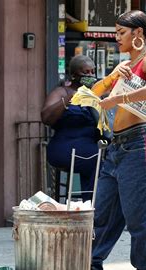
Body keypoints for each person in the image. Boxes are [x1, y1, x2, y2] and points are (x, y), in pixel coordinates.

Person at [88, 10, 146, 270]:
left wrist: (117, 98)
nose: (116, 37)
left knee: (141, 218)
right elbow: (94, 96)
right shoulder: (124, 65)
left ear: (138, 34)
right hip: (115, 148)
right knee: (101, 217)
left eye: (121, 32)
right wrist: (110, 78)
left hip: (138, 147)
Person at [40, 55, 101, 202]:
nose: (90, 76)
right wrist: (68, 100)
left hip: (90, 146)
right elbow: (46, 117)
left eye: (93, 72)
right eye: (86, 73)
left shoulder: (96, 92)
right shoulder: (62, 92)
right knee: (99, 162)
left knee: (106, 159)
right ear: (74, 75)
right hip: (65, 147)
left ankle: (94, 206)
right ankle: (90, 205)